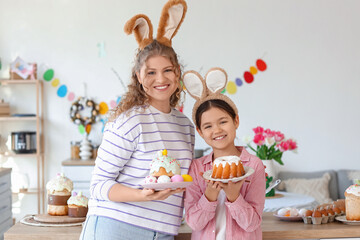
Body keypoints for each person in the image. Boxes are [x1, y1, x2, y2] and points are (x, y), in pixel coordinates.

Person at [80, 1, 194, 239]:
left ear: (177, 74)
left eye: (167, 70)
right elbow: (98, 186)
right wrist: (142, 195)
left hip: (163, 232)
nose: (160, 78)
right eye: (151, 72)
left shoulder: (186, 126)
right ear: (139, 77)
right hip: (115, 227)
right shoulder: (130, 121)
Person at [182, 68, 265, 240]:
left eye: (223, 121)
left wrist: (234, 196)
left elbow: (252, 224)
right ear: (199, 131)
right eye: (208, 126)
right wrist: (210, 196)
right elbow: (194, 223)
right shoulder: (196, 169)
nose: (217, 130)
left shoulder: (254, 165)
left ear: (236, 120)